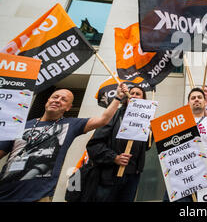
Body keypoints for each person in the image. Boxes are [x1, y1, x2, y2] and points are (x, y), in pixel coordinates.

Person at [0, 83, 129, 202]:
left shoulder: (72, 125)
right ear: (47, 101)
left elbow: (103, 119)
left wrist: (118, 98)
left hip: (38, 195)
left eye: (64, 100)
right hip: (5, 192)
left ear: (68, 107)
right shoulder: (19, 126)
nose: (57, 100)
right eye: (55, 97)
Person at [86, 85, 150, 202]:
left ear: (144, 100)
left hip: (132, 177)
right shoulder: (114, 115)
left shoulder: (145, 122)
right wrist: (114, 157)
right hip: (110, 176)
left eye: (138, 94)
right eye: (132, 93)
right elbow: (94, 145)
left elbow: (145, 148)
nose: (134, 95)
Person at [163, 87, 207, 202]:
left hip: (204, 177)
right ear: (188, 103)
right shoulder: (177, 123)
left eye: (199, 97)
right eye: (193, 98)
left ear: (205, 102)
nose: (196, 99)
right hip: (180, 176)